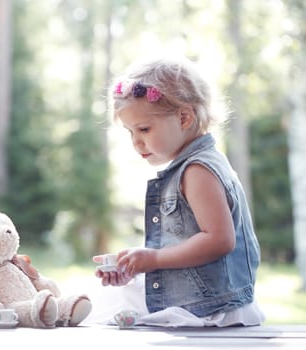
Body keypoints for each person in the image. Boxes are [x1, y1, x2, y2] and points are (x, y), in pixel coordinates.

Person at [90, 56, 264, 327]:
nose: (136, 142)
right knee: (105, 299)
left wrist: (154, 258)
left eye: (144, 129)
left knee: (95, 313)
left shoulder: (198, 171)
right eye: (130, 132)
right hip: (195, 296)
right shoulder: (198, 164)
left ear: (184, 117)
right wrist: (138, 266)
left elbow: (219, 240)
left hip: (207, 307)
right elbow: (183, 247)